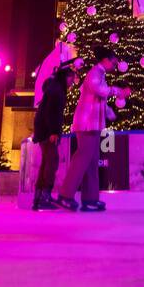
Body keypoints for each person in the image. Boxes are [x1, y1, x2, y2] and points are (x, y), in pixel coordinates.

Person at [53, 47, 127, 212]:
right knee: (82, 158)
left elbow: (98, 98)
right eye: (114, 62)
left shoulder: (101, 75)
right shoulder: (95, 73)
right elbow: (99, 90)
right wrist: (117, 91)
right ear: (105, 60)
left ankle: (90, 199)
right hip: (86, 124)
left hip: (93, 124)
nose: (115, 66)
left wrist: (109, 112)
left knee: (92, 161)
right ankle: (65, 196)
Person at [31, 63, 74, 210]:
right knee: (52, 161)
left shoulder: (54, 88)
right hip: (47, 131)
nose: (72, 83)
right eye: (71, 79)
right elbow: (52, 113)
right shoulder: (57, 91)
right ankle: (44, 196)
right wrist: (54, 132)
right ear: (65, 77)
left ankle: (38, 197)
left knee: (46, 162)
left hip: (43, 130)